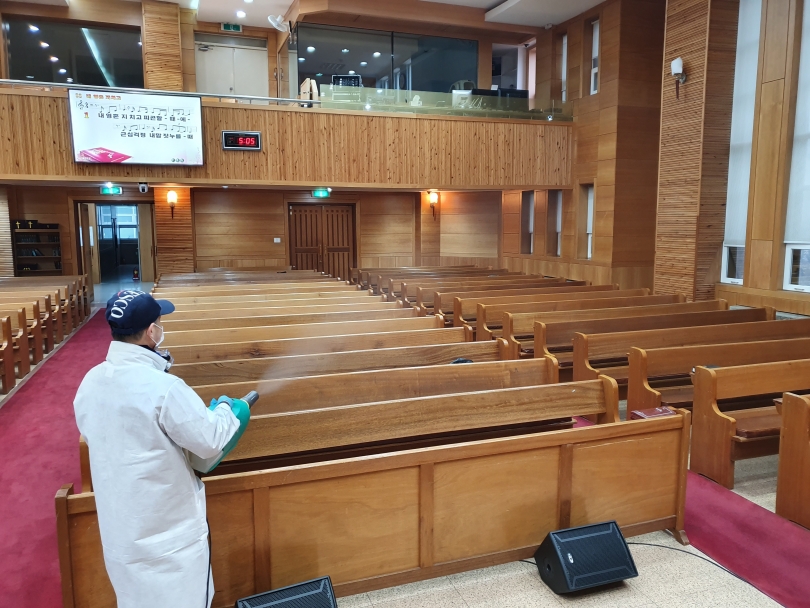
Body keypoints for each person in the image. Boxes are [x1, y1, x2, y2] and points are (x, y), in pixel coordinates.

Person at [74, 290, 241, 608]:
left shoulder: (90, 382)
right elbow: (209, 440)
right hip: (168, 536)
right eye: (159, 323)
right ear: (152, 331)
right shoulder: (164, 388)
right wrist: (225, 412)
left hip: (122, 528)